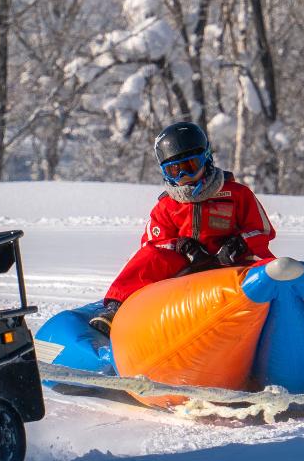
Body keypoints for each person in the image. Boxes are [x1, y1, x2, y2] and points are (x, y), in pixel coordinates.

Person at [90, 120, 277, 337]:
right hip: (187, 268)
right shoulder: (167, 205)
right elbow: (153, 241)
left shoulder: (237, 194)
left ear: (206, 159)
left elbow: (262, 229)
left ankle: (278, 302)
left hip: (230, 263)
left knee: (266, 262)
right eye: (173, 171)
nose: (183, 177)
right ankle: (117, 307)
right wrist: (181, 245)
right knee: (149, 256)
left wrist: (241, 242)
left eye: (189, 167)